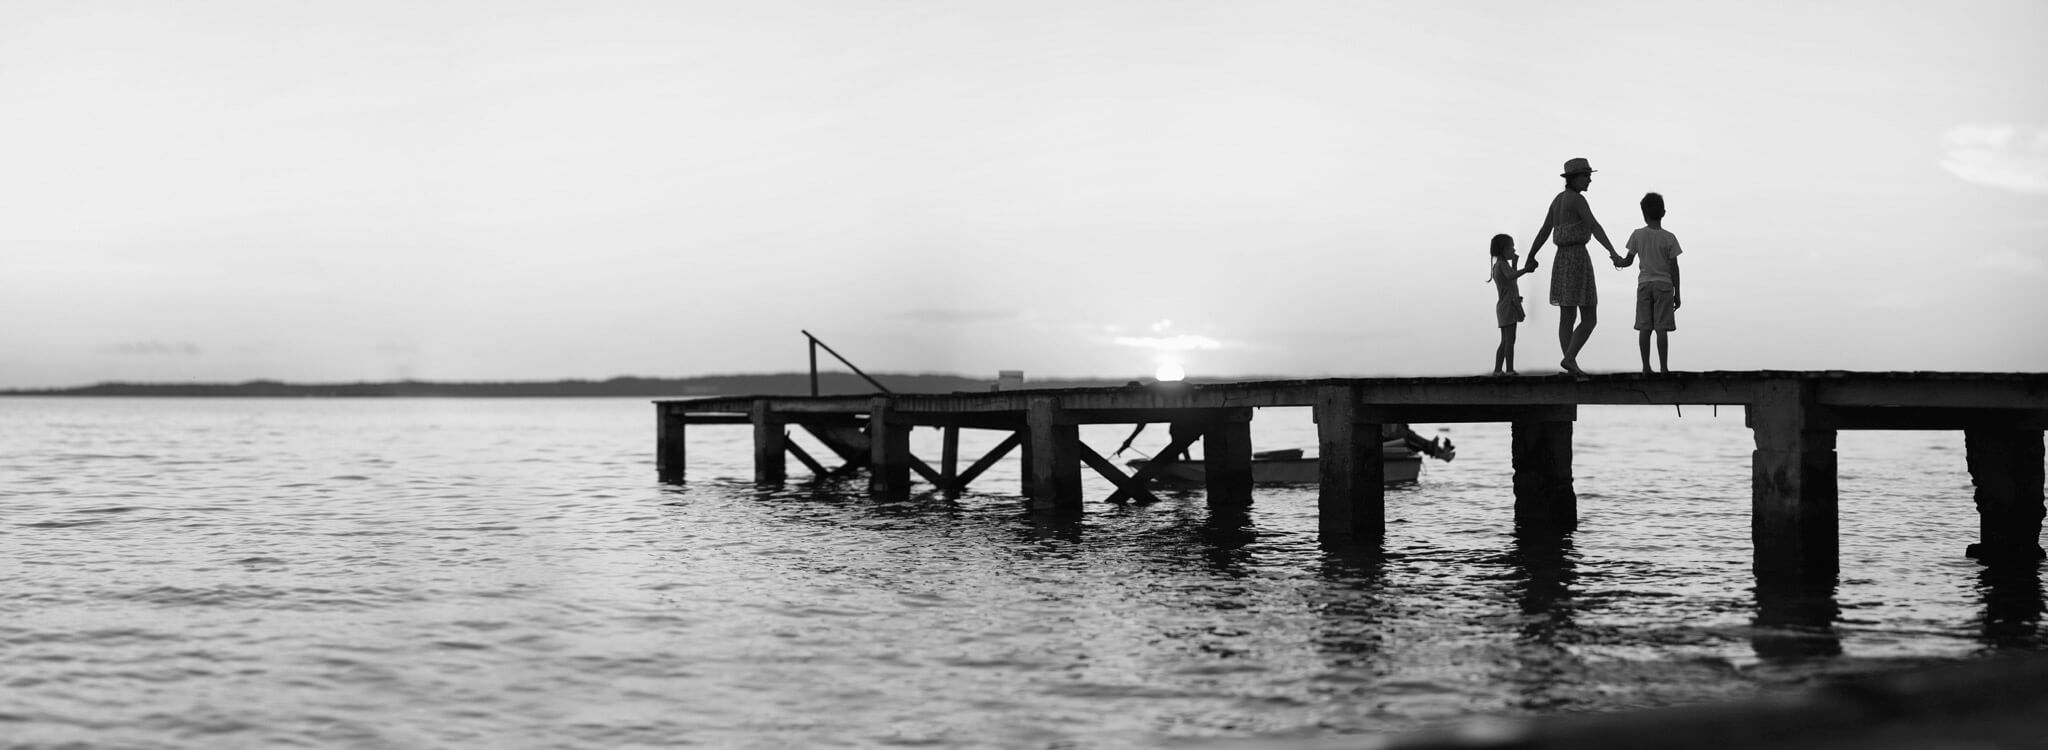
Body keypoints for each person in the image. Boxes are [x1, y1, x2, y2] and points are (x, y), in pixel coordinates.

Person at [1522, 158, 1622, 376]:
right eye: (1586, 176)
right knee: (1589, 317)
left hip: (1561, 260)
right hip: (1577, 258)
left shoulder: (1557, 200)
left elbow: (1544, 231)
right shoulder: (1576, 200)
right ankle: (1569, 359)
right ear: (1574, 178)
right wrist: (1612, 252)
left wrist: (1531, 256)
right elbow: (1594, 226)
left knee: (1566, 316)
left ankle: (1570, 365)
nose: (1589, 180)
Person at [1613, 192, 1682, 373]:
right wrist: (1678, 293)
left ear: (1643, 214)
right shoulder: (1669, 238)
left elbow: (1627, 261)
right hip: (1664, 285)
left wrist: (1617, 261)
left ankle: (1645, 367)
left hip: (1644, 285)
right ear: (1664, 213)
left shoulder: (1637, 235)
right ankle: (1664, 368)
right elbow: (1674, 268)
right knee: (1661, 329)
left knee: (1644, 327)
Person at [1489, 233, 1539, 376]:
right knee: (1509, 340)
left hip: (1506, 306)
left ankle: (1498, 371)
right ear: (1504, 249)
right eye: (1512, 247)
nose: (1514, 250)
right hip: (1508, 306)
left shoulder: (1501, 265)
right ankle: (1509, 370)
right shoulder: (1501, 265)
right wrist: (1526, 270)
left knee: (1506, 340)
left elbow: (1512, 279)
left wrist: (1516, 265)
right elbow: (1511, 276)